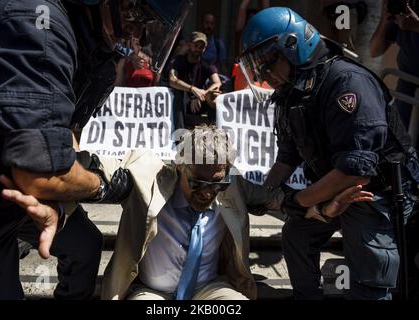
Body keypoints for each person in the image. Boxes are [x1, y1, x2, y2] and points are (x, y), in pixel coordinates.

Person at [0, 0, 192, 300]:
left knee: (84, 244)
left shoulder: (91, 42)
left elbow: (67, 132)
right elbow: (40, 173)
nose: (136, 32)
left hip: (11, 194)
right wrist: (101, 185)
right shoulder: (39, 25)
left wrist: (60, 203)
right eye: (136, 14)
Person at [239, 7, 419, 300]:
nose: (262, 74)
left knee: (367, 269)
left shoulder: (347, 82)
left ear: (292, 48)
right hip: (335, 187)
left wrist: (296, 200)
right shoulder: (292, 92)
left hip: (375, 193)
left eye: (266, 63)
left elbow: (355, 169)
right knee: (297, 234)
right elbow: (288, 156)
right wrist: (266, 193)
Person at [98, 125, 373, 300]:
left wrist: (325, 208)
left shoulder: (234, 187)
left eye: (217, 183)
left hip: (209, 291)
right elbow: (98, 172)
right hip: (150, 293)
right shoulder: (150, 177)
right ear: (179, 166)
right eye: (199, 183)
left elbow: (283, 201)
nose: (207, 193)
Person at [370, 0, 419, 143]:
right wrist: (384, 19)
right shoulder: (405, 7)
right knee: (397, 147)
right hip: (406, 89)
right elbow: (375, 51)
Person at [169, 31, 222, 129]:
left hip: (199, 101)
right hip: (182, 101)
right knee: (179, 93)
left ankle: (215, 131)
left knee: (214, 95)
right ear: (189, 45)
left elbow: (217, 82)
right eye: (196, 45)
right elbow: (172, 79)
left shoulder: (206, 64)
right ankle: (179, 136)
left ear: (205, 49)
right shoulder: (180, 60)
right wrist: (192, 89)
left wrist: (204, 94)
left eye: (201, 47)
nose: (198, 49)